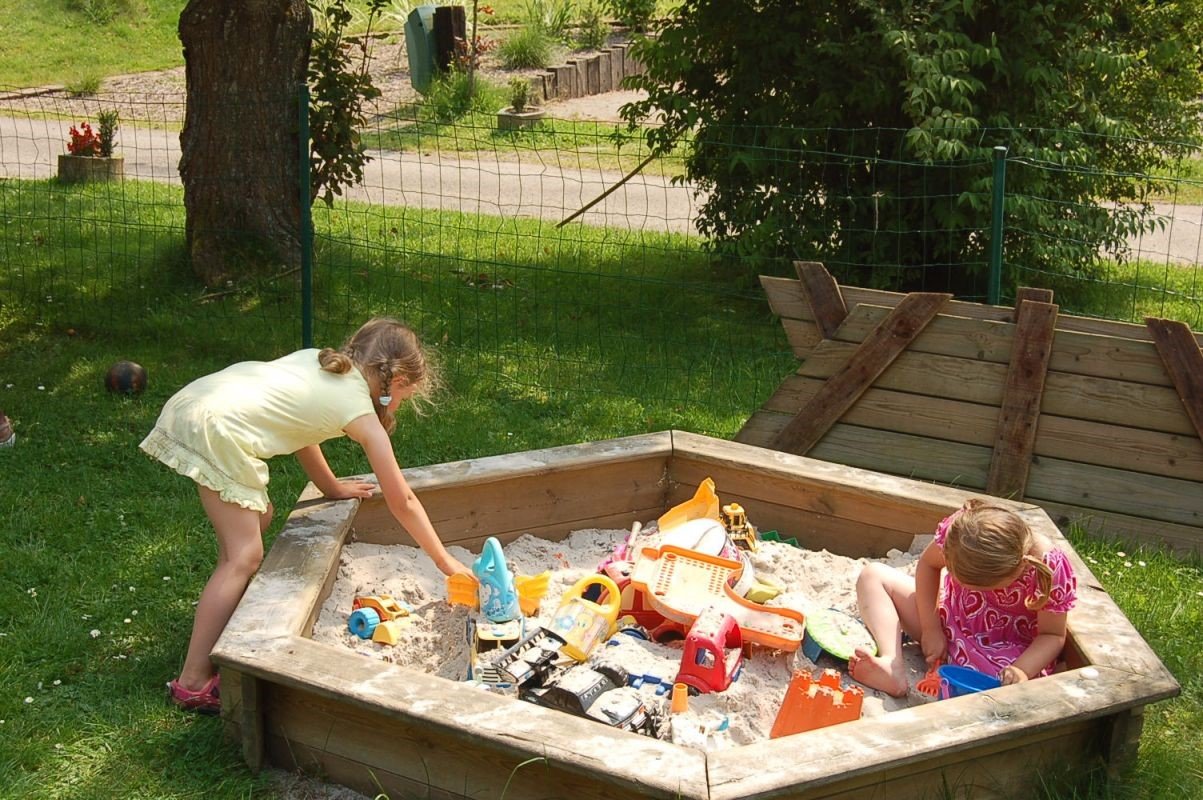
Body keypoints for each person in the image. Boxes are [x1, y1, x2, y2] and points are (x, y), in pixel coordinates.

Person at [140, 318, 472, 715]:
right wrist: (444, 560)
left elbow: (303, 430)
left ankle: (226, 603)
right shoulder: (359, 412)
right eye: (406, 396)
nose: (401, 405)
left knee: (259, 518)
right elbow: (403, 501)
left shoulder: (320, 362)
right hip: (219, 427)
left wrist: (332, 488)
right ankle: (192, 683)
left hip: (198, 402)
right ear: (396, 380)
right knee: (243, 557)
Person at [848, 499, 1076, 697]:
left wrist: (1021, 669)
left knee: (999, 684)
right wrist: (931, 628)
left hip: (1003, 648)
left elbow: (1052, 635)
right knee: (873, 576)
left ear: (1018, 569)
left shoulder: (1048, 568)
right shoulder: (961, 533)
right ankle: (892, 665)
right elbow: (929, 565)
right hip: (950, 621)